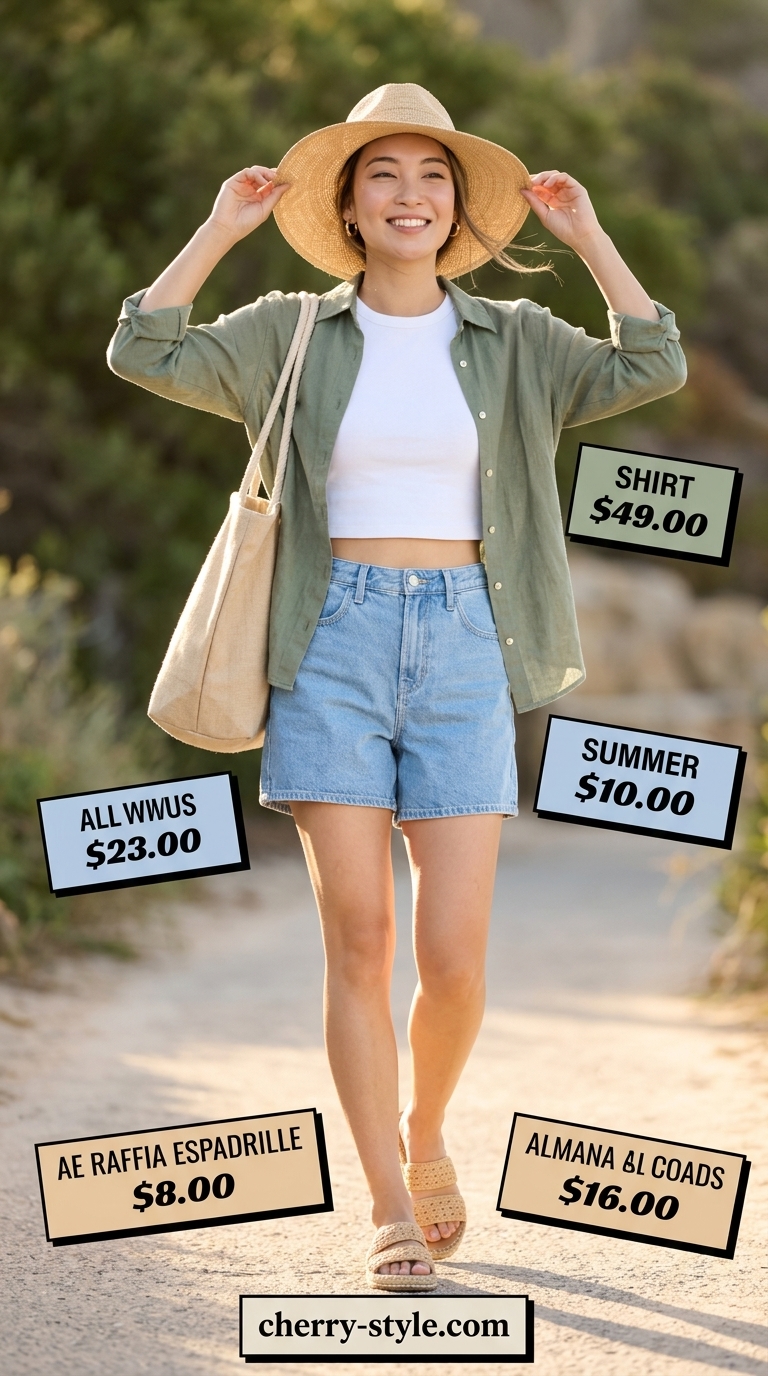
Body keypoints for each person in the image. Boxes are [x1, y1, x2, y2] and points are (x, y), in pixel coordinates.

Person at [108, 83, 686, 1291]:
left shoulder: (519, 341)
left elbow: (654, 360)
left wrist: (587, 238)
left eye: (433, 175)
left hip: (472, 640)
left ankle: (427, 1131)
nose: (410, 194)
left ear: (458, 206)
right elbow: (144, 346)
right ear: (350, 206)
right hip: (330, 642)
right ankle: (383, 1202)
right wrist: (221, 229)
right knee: (360, 938)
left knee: (457, 954)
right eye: (384, 175)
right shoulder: (291, 330)